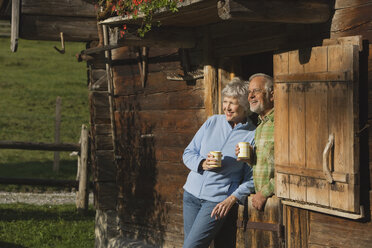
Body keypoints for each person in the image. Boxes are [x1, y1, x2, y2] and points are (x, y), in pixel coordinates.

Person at [182, 77, 256, 248]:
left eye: (233, 103)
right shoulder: (213, 121)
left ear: (245, 106)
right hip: (191, 195)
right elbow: (188, 153)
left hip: (215, 201)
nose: (227, 107)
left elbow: (252, 178)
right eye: (225, 101)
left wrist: (233, 198)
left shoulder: (252, 134)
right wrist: (202, 164)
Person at [236, 73, 274, 211]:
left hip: (277, 201)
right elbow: (268, 163)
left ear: (272, 95)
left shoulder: (281, 123)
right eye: (249, 92)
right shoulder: (260, 125)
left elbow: (290, 168)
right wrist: (250, 158)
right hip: (263, 202)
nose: (250, 96)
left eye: (256, 91)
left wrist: (264, 194)